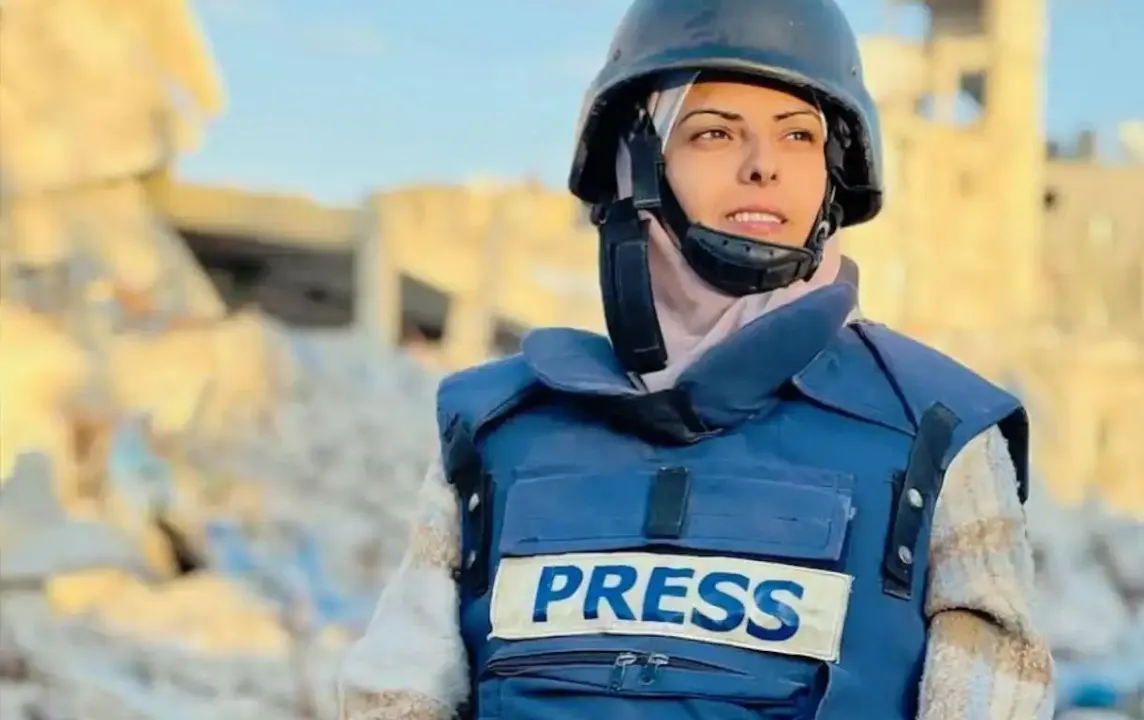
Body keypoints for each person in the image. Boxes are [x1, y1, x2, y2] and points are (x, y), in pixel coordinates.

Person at [338, 1, 1055, 718]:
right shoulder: (493, 433)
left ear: (834, 172)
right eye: (714, 132)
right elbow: (392, 701)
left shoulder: (939, 437)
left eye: (798, 135)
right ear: (635, 166)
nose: (763, 166)